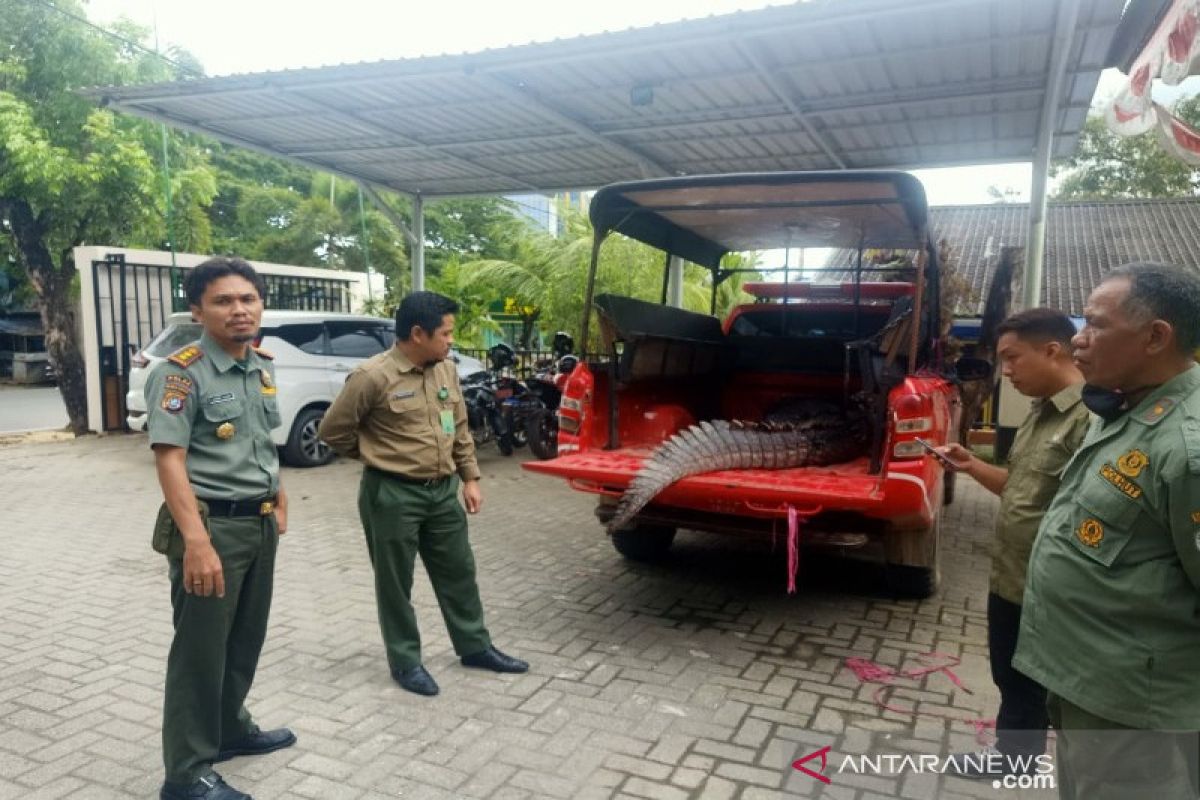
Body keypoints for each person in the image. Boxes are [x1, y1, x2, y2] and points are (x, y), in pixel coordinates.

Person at [1012, 263, 1200, 799]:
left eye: (1095, 324)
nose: (1078, 338)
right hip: (1088, 685)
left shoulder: (1188, 449)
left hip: (1134, 710)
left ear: (1155, 337)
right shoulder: (1123, 404)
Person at [317, 291, 528, 697]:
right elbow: (332, 431)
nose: (451, 340)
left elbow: (458, 427)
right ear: (418, 333)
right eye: (445, 333)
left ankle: (475, 646)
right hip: (392, 496)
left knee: (459, 572)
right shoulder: (372, 377)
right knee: (395, 583)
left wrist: (471, 477)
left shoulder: (444, 370)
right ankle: (405, 661)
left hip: (443, 492)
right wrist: (376, 456)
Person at [146, 257, 295, 800]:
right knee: (199, 651)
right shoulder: (181, 372)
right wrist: (197, 542)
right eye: (223, 301)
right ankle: (185, 774)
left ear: (261, 304)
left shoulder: (261, 364)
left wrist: (279, 494)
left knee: (243, 639)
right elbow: (169, 460)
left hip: (257, 524)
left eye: (247, 299)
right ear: (198, 310)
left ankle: (230, 726)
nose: (239, 310)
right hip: (212, 528)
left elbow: (260, 438)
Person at [938, 309, 1089, 779]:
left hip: (1049, 587)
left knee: (1034, 683)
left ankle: (1022, 763)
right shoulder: (1041, 412)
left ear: (1052, 350)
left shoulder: (1091, 420)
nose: (1005, 370)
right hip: (1011, 575)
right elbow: (1020, 488)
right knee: (1010, 674)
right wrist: (970, 467)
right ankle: (1017, 759)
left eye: (1012, 357)